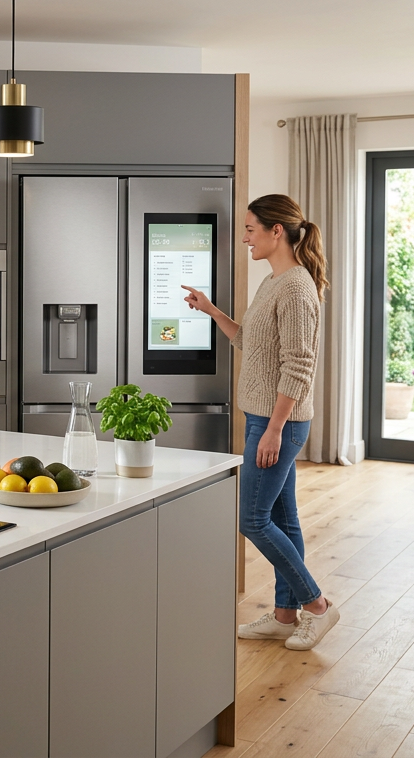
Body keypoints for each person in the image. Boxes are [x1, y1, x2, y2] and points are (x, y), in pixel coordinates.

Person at [181, 194, 337, 651]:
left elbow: (298, 365)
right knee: (282, 519)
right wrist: (212, 311)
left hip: (277, 423)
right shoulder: (273, 282)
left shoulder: (296, 288)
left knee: (251, 518)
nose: (245, 236)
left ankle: (318, 606)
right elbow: (250, 340)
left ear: (276, 232)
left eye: (250, 228)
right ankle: (285, 615)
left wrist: (273, 429)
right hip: (263, 417)